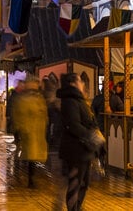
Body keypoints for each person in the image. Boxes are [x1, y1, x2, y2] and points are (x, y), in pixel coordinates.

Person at [57, 72, 101, 211]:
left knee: (83, 183)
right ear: (73, 83)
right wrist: (90, 136)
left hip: (84, 150)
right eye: (80, 81)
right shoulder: (70, 101)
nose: (82, 84)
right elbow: (73, 124)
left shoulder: (79, 100)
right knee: (76, 183)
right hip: (75, 150)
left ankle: (77, 207)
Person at [10, 75, 48, 187]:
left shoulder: (37, 98)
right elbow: (18, 114)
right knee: (28, 156)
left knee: (31, 157)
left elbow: (43, 113)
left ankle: (29, 178)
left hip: (35, 131)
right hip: (28, 131)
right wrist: (20, 128)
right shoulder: (23, 99)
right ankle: (28, 179)